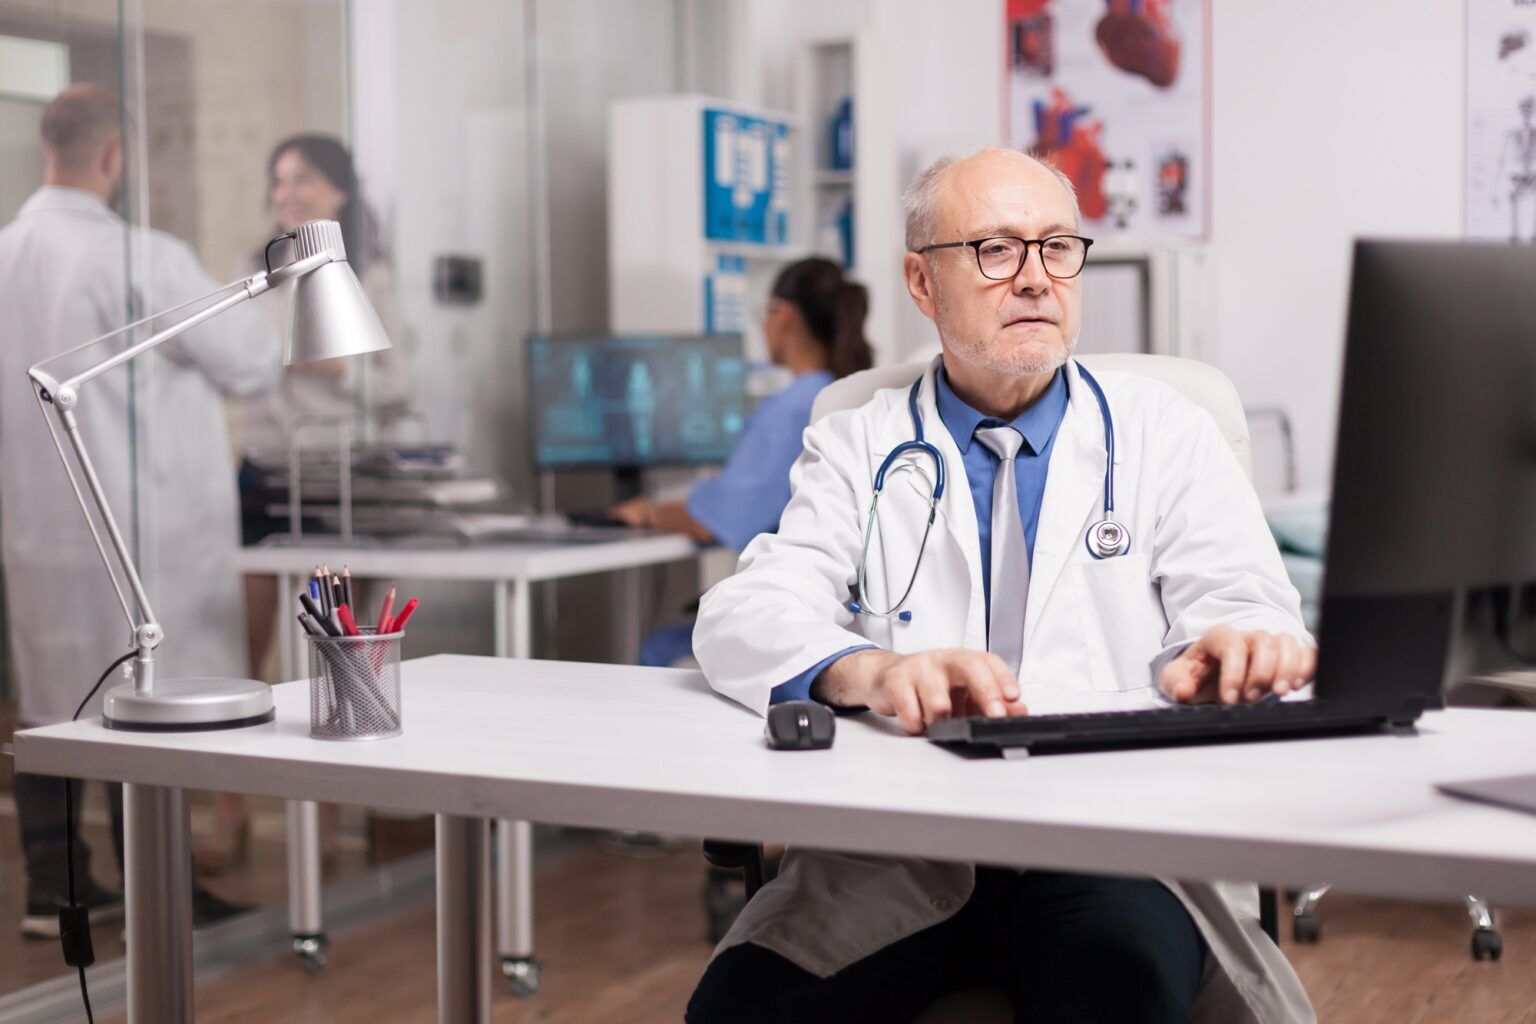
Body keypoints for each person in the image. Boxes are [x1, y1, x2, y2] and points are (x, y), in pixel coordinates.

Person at [686, 148, 1317, 1023]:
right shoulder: (856, 442)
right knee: (740, 1012)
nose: (1035, 279)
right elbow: (745, 612)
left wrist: (1223, 651)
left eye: (1058, 247)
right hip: (903, 841)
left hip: (1108, 842)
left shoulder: (1165, 431)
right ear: (921, 281)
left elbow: (1246, 600)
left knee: (1114, 992)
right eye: (995, 249)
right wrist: (866, 670)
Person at [0, 84, 278, 937]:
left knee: (52, 703)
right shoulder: (141, 256)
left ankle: (57, 887)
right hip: (133, 524)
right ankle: (163, 893)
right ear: (114, 157)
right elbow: (250, 362)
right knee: (140, 704)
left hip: (37, 524)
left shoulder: (3, 253)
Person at [204, 134, 410, 872]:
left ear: (340, 195)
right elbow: (231, 365)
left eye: (304, 181)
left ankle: (323, 835)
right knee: (242, 651)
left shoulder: (371, 278)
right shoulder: (253, 271)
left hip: (334, 485)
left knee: (334, 659)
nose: (287, 193)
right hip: (262, 475)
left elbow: (397, 387)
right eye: (279, 180)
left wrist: (336, 371)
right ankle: (231, 822)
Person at [608, 257, 873, 669]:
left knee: (660, 649)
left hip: (808, 614)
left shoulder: (795, 406)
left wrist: (642, 512)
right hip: (852, 611)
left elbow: (715, 519)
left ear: (782, 315)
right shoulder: (853, 393)